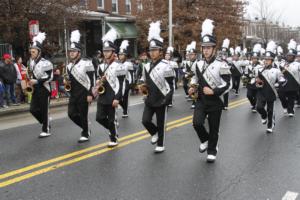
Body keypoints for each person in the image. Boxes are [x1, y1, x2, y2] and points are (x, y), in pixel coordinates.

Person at [189, 19, 231, 163]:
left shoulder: (222, 65)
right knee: (197, 123)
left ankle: (212, 150)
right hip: (201, 100)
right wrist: (192, 86)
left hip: (215, 101)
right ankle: (205, 140)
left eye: (209, 47)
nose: (206, 50)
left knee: (214, 128)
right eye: (204, 47)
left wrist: (214, 91)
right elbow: (195, 78)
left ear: (214, 49)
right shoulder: (198, 64)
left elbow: (228, 84)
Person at [140, 21, 172, 153]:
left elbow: (171, 85)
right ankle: (154, 133)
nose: (152, 53)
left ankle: (161, 144)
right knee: (145, 120)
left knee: (161, 123)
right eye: (151, 50)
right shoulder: (146, 66)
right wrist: (141, 85)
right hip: (149, 98)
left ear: (160, 51)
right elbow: (143, 79)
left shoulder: (166, 65)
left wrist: (167, 100)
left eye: (155, 50)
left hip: (161, 98)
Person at [95, 28, 123, 147]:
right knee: (99, 118)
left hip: (112, 97)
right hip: (102, 95)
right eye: (104, 51)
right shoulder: (100, 66)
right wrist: (98, 82)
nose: (105, 53)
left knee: (111, 119)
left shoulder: (118, 66)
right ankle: (113, 129)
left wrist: (118, 98)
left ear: (113, 52)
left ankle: (113, 138)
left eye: (108, 51)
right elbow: (97, 78)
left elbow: (121, 83)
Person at [66, 30, 94, 143]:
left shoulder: (87, 63)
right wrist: (66, 82)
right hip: (73, 94)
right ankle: (86, 126)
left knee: (83, 114)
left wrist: (90, 94)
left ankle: (85, 133)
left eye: (74, 51)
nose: (71, 53)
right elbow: (70, 81)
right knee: (71, 114)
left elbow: (92, 79)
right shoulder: (69, 66)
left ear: (79, 52)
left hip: (84, 93)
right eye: (70, 51)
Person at [256, 41, 285, 133]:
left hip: (271, 92)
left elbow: (283, 81)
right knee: (259, 107)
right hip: (261, 92)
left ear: (272, 60)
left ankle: (270, 126)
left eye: (268, 59)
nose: (266, 61)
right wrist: (257, 82)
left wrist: (278, 85)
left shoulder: (276, 71)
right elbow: (255, 81)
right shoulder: (260, 69)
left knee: (270, 110)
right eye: (265, 59)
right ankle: (263, 116)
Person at [28, 32, 54, 138]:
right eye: (31, 52)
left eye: (33, 52)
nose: (31, 54)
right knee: (32, 109)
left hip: (45, 89)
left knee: (44, 110)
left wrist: (37, 81)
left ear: (39, 52)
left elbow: (49, 77)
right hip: (36, 89)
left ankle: (46, 129)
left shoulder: (46, 63)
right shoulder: (31, 62)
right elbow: (32, 74)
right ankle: (46, 120)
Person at [278, 39, 300, 117]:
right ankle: (285, 106)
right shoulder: (282, 63)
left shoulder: (297, 64)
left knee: (291, 97)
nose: (289, 57)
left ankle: (291, 110)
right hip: (283, 83)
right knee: (281, 95)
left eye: (291, 55)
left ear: (294, 56)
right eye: (288, 55)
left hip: (293, 83)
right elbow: (278, 72)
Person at [244, 44, 264, 113]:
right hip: (250, 84)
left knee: (256, 96)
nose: (254, 60)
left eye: (255, 58)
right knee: (248, 95)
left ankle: (254, 106)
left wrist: (260, 82)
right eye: (253, 58)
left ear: (257, 59)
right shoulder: (248, 66)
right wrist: (245, 83)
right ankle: (253, 104)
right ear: (251, 59)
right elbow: (245, 75)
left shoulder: (260, 67)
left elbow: (262, 76)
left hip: (257, 84)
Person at [118, 40, 134, 118]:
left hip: (127, 82)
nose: (120, 56)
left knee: (125, 98)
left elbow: (131, 74)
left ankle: (125, 111)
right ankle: (124, 107)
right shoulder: (117, 64)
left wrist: (131, 84)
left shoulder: (129, 64)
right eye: (119, 55)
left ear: (125, 55)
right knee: (119, 97)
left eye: (122, 55)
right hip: (119, 83)